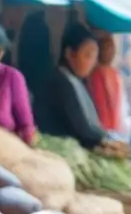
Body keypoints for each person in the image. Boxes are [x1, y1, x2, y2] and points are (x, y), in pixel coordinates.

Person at [36, 23, 119, 151]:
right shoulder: (61, 83)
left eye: (94, 57)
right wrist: (107, 141)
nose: (92, 63)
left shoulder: (75, 80)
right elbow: (82, 129)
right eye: (87, 55)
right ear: (69, 54)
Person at [86, 31, 129, 137]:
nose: (109, 51)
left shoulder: (115, 74)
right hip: (101, 132)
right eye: (105, 47)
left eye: (111, 46)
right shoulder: (94, 75)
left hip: (115, 131)